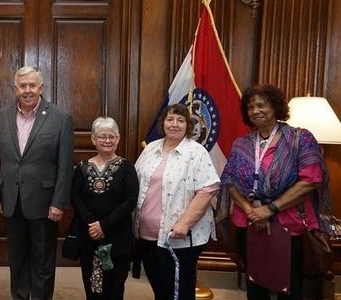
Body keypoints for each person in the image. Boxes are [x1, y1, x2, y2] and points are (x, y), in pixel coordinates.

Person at [215, 84, 332, 299]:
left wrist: (269, 209)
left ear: (276, 107)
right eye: (250, 107)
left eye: (262, 105)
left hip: (288, 227)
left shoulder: (299, 138)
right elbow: (230, 182)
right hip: (248, 225)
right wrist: (252, 211)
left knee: (289, 287)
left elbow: (311, 180)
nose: (255, 111)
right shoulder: (242, 144)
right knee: (255, 285)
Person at [0, 66, 74, 299]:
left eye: (32, 85)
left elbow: (65, 166)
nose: (27, 90)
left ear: (41, 88)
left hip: (45, 204)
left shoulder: (60, 117)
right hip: (11, 202)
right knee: (17, 259)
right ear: (15, 89)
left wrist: (59, 203)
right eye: (22, 86)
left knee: (43, 261)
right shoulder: (1, 116)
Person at [133, 103, 220, 300]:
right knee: (159, 286)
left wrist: (184, 223)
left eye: (180, 120)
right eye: (170, 119)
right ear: (163, 123)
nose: (174, 124)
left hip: (179, 237)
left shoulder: (196, 152)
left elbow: (208, 190)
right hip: (146, 234)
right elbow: (135, 182)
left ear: (188, 125)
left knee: (180, 291)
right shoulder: (150, 149)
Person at [71, 117, 139, 300]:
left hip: (118, 235)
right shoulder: (82, 167)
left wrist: (105, 225)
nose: (107, 141)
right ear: (93, 139)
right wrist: (93, 224)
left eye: (112, 136)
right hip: (89, 234)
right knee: (91, 283)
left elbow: (131, 200)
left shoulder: (127, 168)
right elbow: (75, 198)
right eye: (102, 136)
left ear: (118, 139)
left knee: (115, 284)